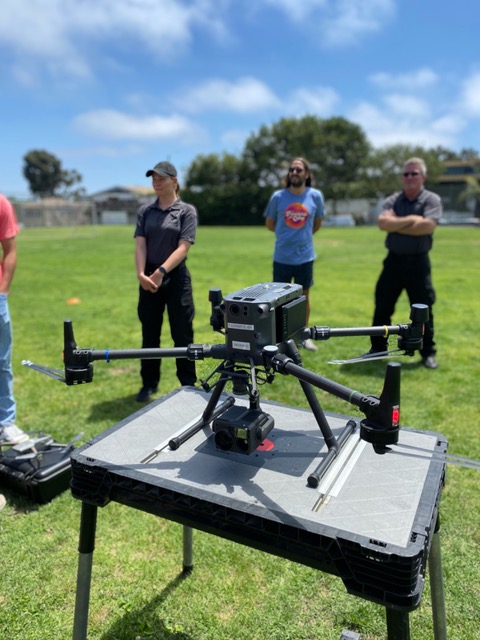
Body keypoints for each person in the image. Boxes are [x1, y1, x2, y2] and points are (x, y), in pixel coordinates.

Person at [369, 157, 442, 369]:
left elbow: (427, 227)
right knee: (382, 306)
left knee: (423, 309)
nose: (409, 177)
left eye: (414, 173)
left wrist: (396, 224)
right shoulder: (393, 199)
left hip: (418, 263)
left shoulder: (431, 199)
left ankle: (428, 352)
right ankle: (378, 348)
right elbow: (383, 223)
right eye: (406, 174)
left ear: (423, 177)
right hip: (393, 262)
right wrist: (412, 219)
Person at [134, 161, 198, 402]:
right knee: (150, 335)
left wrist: (161, 271)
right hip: (148, 278)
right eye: (153, 178)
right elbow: (140, 244)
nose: (156, 181)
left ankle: (189, 384)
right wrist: (142, 274)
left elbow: (184, 247)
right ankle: (148, 384)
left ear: (174, 180)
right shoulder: (145, 212)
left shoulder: (186, 211)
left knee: (182, 334)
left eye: (161, 177)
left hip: (176, 277)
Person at [264, 157, 325, 351]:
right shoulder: (278, 197)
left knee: (303, 297)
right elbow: (270, 224)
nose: (295, 173)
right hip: (282, 257)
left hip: (305, 257)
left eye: (299, 170)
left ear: (307, 174)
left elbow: (316, 223)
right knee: (278, 299)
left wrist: (302, 236)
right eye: (292, 169)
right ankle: (279, 339)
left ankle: (303, 336)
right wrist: (287, 236)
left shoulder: (315, 196)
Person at [0, 194, 29, 447]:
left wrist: (3, 293)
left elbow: (10, 250)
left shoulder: (1, 204)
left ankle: (6, 422)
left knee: (2, 363)